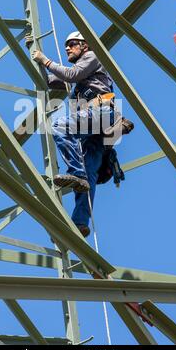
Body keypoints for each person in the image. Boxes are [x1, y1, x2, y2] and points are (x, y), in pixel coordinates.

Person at [33, 31, 131, 237]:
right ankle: (80, 222)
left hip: (101, 112)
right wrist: (35, 58)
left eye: (72, 44)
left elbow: (71, 74)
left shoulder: (93, 56)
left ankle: (75, 174)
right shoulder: (82, 77)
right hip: (96, 128)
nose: (67, 48)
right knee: (89, 177)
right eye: (67, 45)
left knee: (60, 126)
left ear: (84, 46)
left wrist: (46, 60)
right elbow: (49, 81)